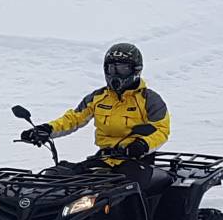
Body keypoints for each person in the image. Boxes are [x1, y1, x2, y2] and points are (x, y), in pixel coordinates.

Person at [23, 42, 170, 169]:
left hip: (137, 161)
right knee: (64, 179)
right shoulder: (98, 97)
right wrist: (46, 129)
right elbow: (73, 118)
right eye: (111, 68)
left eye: (122, 69)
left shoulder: (150, 99)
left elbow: (161, 130)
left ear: (136, 70)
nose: (115, 73)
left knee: (128, 192)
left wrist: (142, 145)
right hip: (103, 159)